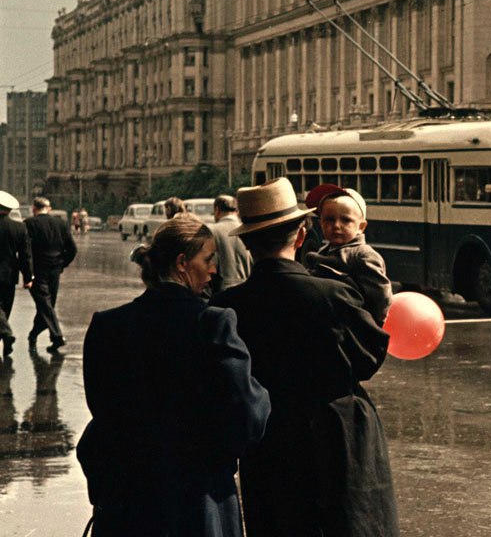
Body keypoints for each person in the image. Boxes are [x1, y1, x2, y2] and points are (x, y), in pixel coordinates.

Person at [210, 178, 398, 537]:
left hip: (268, 442)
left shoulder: (226, 307)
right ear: (301, 235)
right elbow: (369, 359)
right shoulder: (334, 294)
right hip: (338, 436)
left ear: (247, 243)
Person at [77, 216, 270, 537]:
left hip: (127, 500)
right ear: (182, 263)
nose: (213, 271)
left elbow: (104, 411)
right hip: (197, 501)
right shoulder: (213, 323)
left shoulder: (107, 325)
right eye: (208, 260)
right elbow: (249, 415)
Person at [302, 184, 392, 324]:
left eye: (346, 220)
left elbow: (380, 299)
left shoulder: (363, 255)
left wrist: (370, 328)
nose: (336, 225)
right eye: (329, 219)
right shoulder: (323, 251)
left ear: (361, 227)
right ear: (321, 224)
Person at [24, 197, 76, 353]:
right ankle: (37, 334)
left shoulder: (29, 224)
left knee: (45, 304)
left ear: (34, 209)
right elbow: (72, 249)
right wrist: (62, 263)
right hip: (55, 269)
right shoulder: (61, 224)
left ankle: (56, 336)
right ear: (49, 208)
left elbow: (26, 251)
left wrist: (27, 272)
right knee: (47, 304)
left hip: (38, 269)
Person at [0, 190, 32, 361]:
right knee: (6, 309)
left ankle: (5, 333)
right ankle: (5, 340)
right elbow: (26, 255)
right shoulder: (19, 227)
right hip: (10, 276)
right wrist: (28, 278)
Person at [209, 195, 252, 294]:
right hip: (249, 290)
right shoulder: (249, 229)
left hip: (222, 292)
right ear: (237, 211)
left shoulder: (211, 231)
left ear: (217, 209)